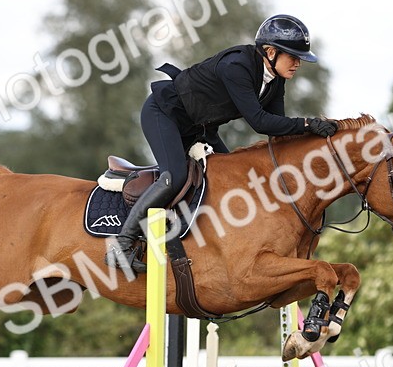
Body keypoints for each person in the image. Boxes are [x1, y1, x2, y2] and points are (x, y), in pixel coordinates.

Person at [104, 14, 338, 271]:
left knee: (236, 177)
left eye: (300, 59)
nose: (298, 64)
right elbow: (260, 122)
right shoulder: (236, 66)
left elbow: (278, 132)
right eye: (293, 57)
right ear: (270, 52)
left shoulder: (276, 80)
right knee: (175, 177)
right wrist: (307, 124)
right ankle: (121, 244)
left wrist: (317, 143)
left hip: (201, 128)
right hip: (165, 114)